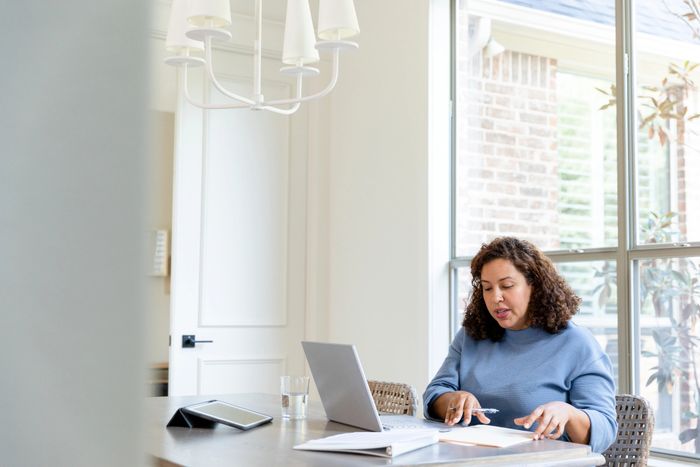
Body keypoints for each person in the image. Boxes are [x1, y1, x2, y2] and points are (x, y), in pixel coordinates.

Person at [423, 237, 617, 453]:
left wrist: (568, 414)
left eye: (507, 286)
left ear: (534, 286)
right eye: (487, 288)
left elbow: (605, 429)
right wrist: (453, 399)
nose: (495, 297)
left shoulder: (577, 344)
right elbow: (434, 395)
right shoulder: (471, 336)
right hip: (469, 459)